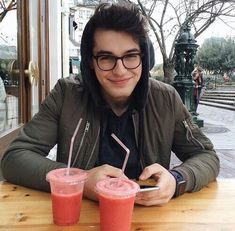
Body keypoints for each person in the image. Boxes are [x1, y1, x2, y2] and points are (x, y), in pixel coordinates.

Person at [1, 3, 219, 206]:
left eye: (131, 56)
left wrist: (176, 179)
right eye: (106, 58)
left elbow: (207, 156)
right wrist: (81, 180)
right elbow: (15, 158)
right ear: (90, 62)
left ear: (143, 58)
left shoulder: (166, 99)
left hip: (149, 217)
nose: (120, 70)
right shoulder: (66, 94)